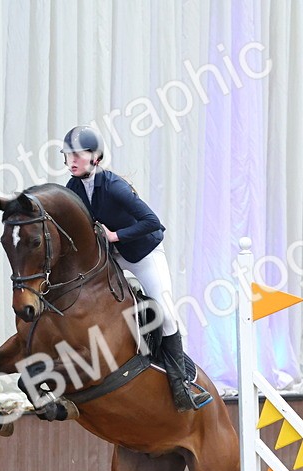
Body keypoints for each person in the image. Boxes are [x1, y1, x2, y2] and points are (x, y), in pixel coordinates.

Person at [61, 125, 211, 412]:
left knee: (166, 312)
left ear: (96, 157)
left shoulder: (114, 186)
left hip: (144, 253)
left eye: (77, 155)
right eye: (68, 155)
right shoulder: (73, 188)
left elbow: (153, 222)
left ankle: (181, 387)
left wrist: (115, 236)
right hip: (113, 257)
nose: (72, 160)